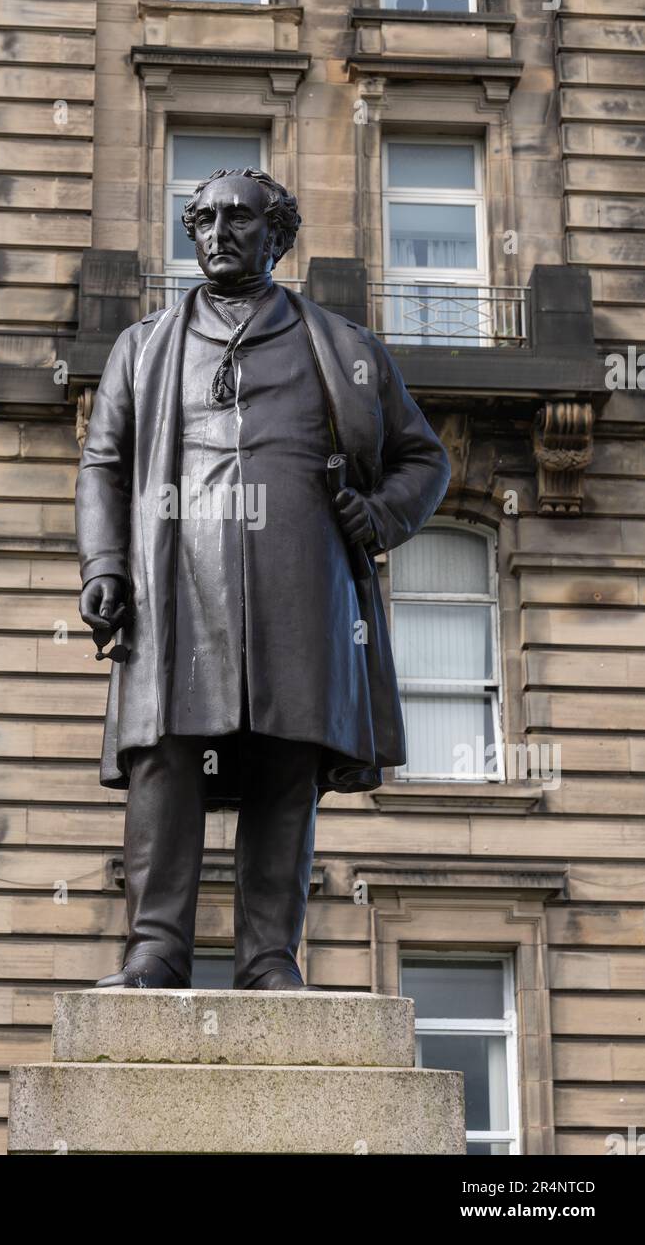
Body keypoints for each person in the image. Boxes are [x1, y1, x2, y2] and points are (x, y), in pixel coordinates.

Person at [76, 168, 450, 989]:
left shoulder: (345, 348)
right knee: (166, 756)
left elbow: (425, 458)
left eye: (239, 219)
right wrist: (104, 564)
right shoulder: (143, 348)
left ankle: (270, 959)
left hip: (301, 583)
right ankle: (155, 951)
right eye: (203, 219)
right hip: (177, 581)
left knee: (286, 762)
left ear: (278, 236)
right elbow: (103, 463)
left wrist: (381, 514)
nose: (218, 232)